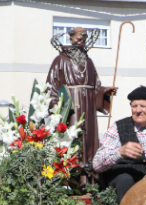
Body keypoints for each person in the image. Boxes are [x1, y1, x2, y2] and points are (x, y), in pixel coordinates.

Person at [46, 26, 117, 185]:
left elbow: (95, 86)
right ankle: (72, 180)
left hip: (89, 109)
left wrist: (104, 91)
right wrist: (57, 107)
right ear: (71, 39)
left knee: (89, 141)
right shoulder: (60, 60)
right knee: (74, 139)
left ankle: (89, 180)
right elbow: (51, 86)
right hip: (71, 108)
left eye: (83, 40)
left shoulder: (89, 61)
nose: (81, 42)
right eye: (78, 39)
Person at [93, 86, 146, 204]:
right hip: (124, 181)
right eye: (134, 106)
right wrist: (119, 153)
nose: (138, 110)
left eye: (143, 106)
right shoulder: (118, 127)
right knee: (124, 180)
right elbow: (96, 164)